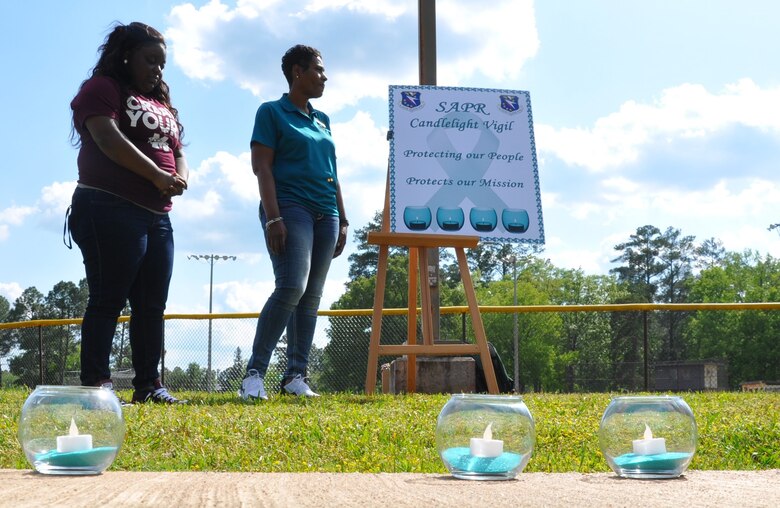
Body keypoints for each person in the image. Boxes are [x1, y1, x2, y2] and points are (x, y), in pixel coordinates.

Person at [67, 22, 188, 404]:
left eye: (162, 64)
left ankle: (149, 386)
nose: (157, 70)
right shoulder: (103, 88)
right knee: (108, 298)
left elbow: (178, 149)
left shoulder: (161, 102)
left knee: (152, 305)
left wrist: (177, 178)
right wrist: (156, 175)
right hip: (108, 205)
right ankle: (97, 385)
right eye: (150, 60)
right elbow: (106, 136)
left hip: (157, 214)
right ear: (126, 56)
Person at [240, 44, 348, 399]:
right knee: (291, 287)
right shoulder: (272, 112)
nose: (325, 76)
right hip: (289, 207)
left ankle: (295, 377)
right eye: (318, 69)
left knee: (312, 295)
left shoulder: (323, 120)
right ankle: (254, 373)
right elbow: (262, 167)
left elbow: (333, 173)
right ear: (297, 72)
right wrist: (273, 218)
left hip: (326, 213)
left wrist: (343, 219)